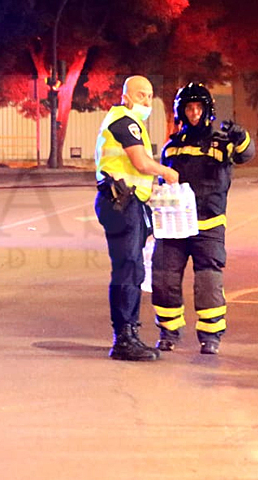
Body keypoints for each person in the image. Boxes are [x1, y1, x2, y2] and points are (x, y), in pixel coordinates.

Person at [151, 82, 255, 356]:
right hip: (174, 225)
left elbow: (246, 154)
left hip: (208, 224)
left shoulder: (222, 143)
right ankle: (168, 331)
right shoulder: (172, 147)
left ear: (207, 110)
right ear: (181, 112)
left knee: (208, 281)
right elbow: (164, 182)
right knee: (163, 278)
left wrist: (241, 136)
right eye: (189, 108)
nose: (194, 113)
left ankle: (211, 336)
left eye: (198, 107)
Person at [94, 75, 179, 362]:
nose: (147, 101)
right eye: (141, 95)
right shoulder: (124, 120)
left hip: (129, 203)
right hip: (120, 204)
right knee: (128, 270)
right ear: (126, 96)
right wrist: (165, 172)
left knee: (131, 270)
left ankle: (129, 333)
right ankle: (124, 339)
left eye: (150, 95)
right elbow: (140, 162)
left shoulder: (131, 122)